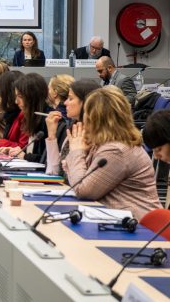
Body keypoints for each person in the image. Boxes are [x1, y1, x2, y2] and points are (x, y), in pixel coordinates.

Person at [63, 88, 161, 219]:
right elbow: (74, 177)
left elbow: (82, 189)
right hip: (117, 220)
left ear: (94, 118)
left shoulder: (116, 150)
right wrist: (80, 154)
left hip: (138, 225)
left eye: (86, 112)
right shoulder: (103, 144)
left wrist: (76, 151)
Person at [45, 79, 101, 175]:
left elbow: (81, 179)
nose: (65, 103)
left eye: (70, 98)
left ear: (86, 102)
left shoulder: (95, 135)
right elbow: (54, 171)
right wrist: (52, 135)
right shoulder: (74, 127)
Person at [0, 73, 50, 162]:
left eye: (20, 97)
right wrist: (15, 151)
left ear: (33, 97)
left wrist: (25, 155)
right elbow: (32, 151)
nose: (16, 102)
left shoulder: (47, 120)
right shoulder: (33, 117)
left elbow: (46, 159)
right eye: (16, 96)